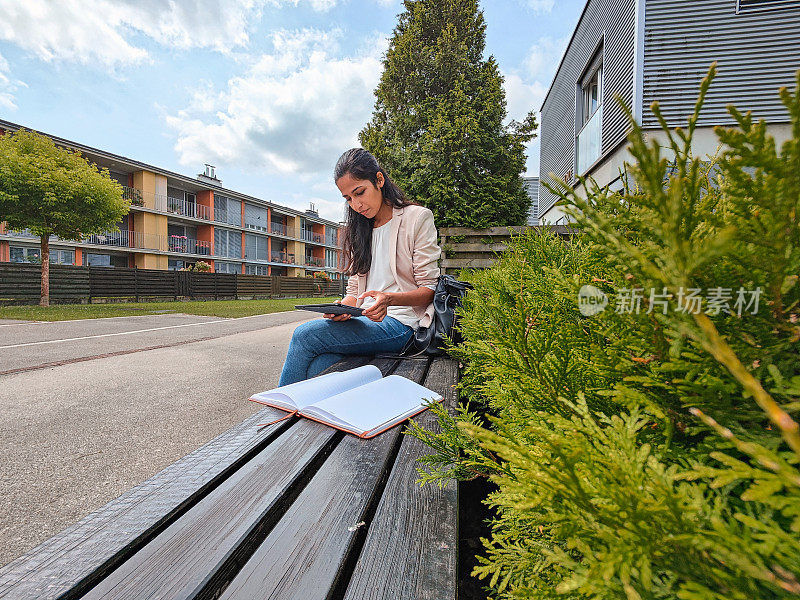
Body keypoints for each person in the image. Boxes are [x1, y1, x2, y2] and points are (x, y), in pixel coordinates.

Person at [278, 148, 441, 386]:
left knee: (305, 336)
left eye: (359, 192)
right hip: (364, 321)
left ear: (379, 180)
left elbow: (429, 290)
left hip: (402, 324)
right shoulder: (358, 229)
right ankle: (302, 419)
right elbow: (354, 291)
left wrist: (388, 299)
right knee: (320, 363)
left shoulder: (417, 218)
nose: (356, 205)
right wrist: (343, 308)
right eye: (348, 199)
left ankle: (274, 415)